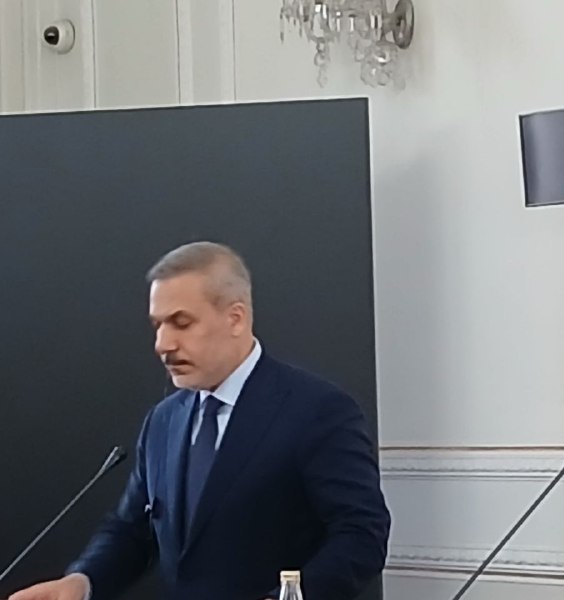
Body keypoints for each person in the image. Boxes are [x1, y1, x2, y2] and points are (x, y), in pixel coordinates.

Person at [11, 241, 391, 600]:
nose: (163, 344)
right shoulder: (163, 421)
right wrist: (82, 582)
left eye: (181, 322)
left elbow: (361, 535)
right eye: (158, 325)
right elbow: (132, 531)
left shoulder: (318, 410)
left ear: (235, 318)